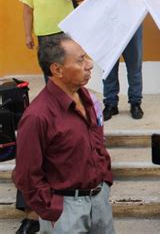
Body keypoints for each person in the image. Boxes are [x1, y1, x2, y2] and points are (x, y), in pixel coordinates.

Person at [14, 34, 114, 233]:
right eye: (80, 60)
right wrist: (51, 210)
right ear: (57, 69)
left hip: (99, 200)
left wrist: (105, 180)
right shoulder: (37, 116)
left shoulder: (87, 98)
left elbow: (97, 145)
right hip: (65, 210)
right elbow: (26, 174)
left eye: (86, 57)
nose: (89, 65)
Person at [78, 0, 145, 121]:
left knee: (134, 66)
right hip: (105, 26)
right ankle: (110, 103)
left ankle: (135, 103)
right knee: (108, 65)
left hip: (132, 26)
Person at [20, 0, 84, 83]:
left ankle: (74, 96)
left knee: (71, 65)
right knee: (50, 70)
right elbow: (27, 12)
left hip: (67, 30)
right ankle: (54, 99)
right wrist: (27, 35)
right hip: (45, 35)